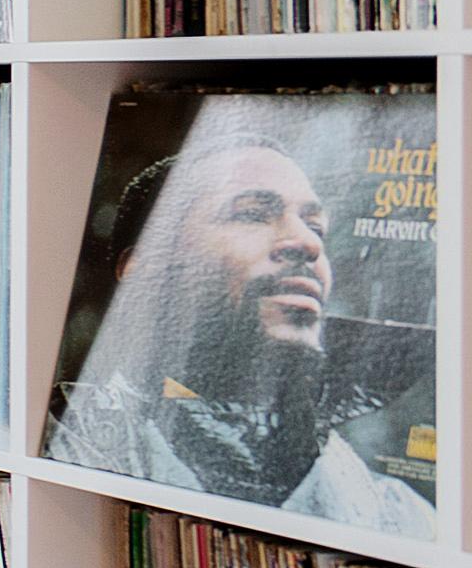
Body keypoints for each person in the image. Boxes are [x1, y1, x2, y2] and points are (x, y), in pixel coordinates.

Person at [46, 106, 432, 537]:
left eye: (316, 226)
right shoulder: (56, 450)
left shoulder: (406, 519)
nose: (306, 243)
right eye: (251, 214)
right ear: (144, 270)